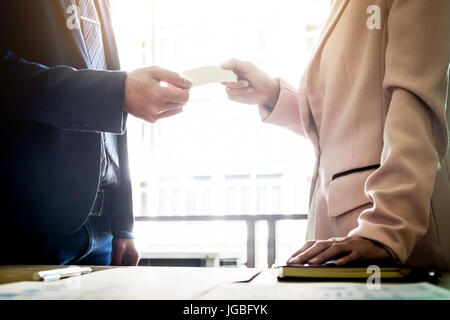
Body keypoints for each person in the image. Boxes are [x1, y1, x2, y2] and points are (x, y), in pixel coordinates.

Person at [222, 0, 450, 270]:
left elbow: (415, 107)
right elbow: (344, 122)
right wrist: (271, 94)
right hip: (346, 232)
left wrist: (388, 229)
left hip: (389, 236)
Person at [0, 0, 191, 265]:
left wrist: (123, 224)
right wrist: (116, 91)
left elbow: (111, 116)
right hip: (32, 224)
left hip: (104, 230)